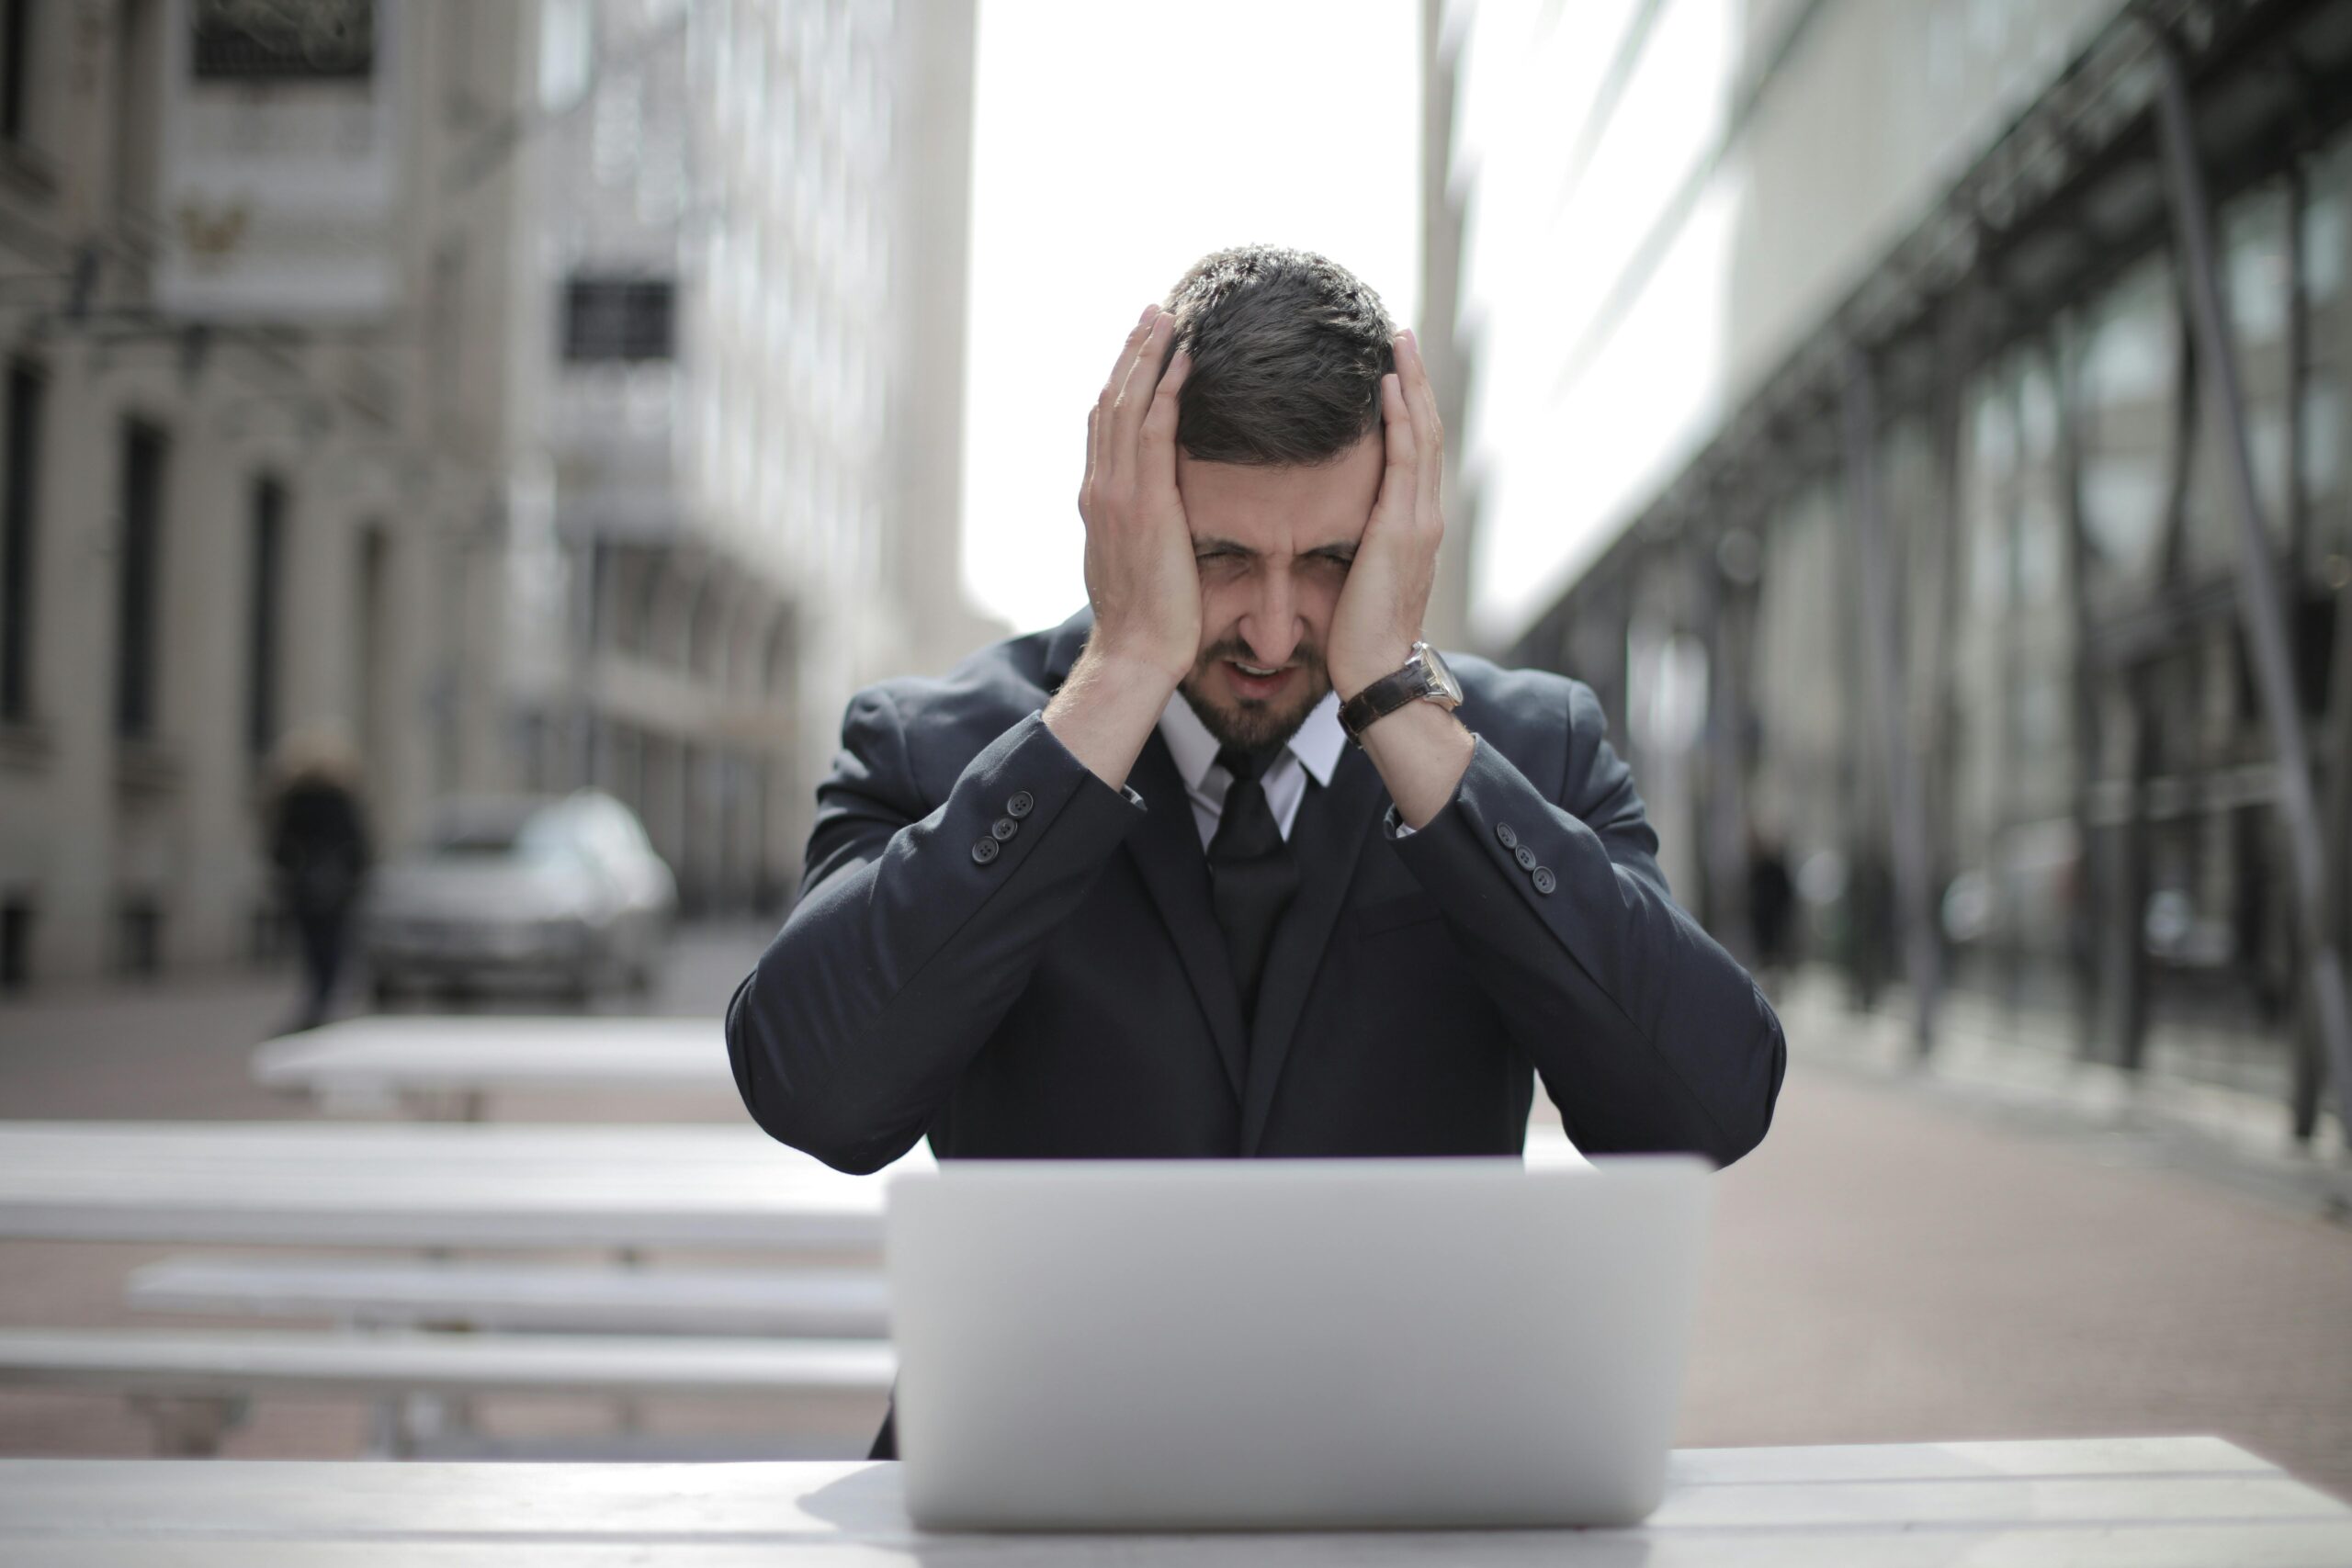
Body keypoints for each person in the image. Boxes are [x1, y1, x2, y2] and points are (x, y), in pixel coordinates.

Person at [726, 245, 1786, 1457]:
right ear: (1126, 511)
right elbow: (816, 1091)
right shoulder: (932, 746)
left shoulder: (1525, 751)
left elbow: (1708, 1102)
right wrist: (1120, 675)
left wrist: (1398, 705)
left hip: (1410, 1507)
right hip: (1027, 1501)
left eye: (1329, 561)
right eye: (1221, 556)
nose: (1276, 629)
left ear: (1403, 521)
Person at [266, 726, 372, 1032]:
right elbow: (358, 845)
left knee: (312, 945)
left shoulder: (292, 797)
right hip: (336, 888)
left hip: (304, 886)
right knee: (333, 944)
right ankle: (326, 998)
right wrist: (354, 877)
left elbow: (279, 847)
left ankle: (318, 999)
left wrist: (293, 871)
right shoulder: (342, 798)